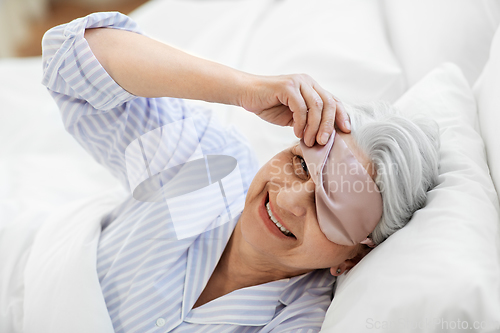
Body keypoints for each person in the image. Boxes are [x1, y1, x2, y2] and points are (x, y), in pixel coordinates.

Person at [41, 12, 440, 333]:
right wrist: (241, 88)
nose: (286, 199)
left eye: (329, 211)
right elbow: (70, 56)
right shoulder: (207, 164)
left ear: (354, 258)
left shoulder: (297, 323)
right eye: (300, 163)